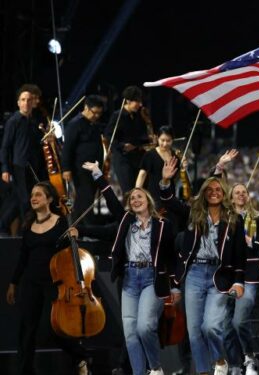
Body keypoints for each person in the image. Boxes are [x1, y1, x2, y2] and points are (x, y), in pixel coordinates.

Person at [72, 161, 178, 375]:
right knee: (130, 334)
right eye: (132, 198)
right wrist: (97, 174)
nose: (135, 199)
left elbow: (171, 256)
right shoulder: (126, 221)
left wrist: (175, 285)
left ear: (148, 201)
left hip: (152, 278)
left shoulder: (163, 225)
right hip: (129, 278)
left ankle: (155, 368)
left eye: (140, 196)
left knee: (144, 327)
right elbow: (111, 200)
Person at [160, 157, 245, 375]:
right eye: (210, 189)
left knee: (211, 326)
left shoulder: (234, 218)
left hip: (220, 275)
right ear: (204, 193)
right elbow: (168, 201)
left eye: (218, 189)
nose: (214, 192)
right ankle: (204, 371)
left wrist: (238, 281)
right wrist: (166, 181)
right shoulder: (193, 213)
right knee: (194, 330)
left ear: (224, 193)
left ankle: (219, 360)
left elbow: (239, 255)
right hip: (195, 274)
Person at [5, 182, 89, 375]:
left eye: (39, 195)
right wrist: (13, 282)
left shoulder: (61, 223)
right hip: (30, 282)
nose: (33, 198)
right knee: (27, 329)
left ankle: (81, 357)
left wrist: (71, 216)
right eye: (32, 195)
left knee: (56, 328)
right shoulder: (27, 225)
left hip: (55, 283)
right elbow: (23, 257)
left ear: (50, 199)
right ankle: (25, 370)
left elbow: (73, 251)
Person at [223, 182, 259, 375]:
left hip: (249, 274)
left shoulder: (258, 218)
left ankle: (249, 356)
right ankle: (234, 364)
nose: (241, 195)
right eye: (237, 192)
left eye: (244, 192)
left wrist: (252, 241)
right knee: (225, 323)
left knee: (239, 321)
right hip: (227, 275)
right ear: (231, 198)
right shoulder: (224, 218)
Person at [1, 84, 48, 221]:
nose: (26, 103)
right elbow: (5, 147)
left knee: (25, 199)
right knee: (25, 200)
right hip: (19, 166)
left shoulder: (34, 122)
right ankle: (26, 229)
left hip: (33, 166)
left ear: (32, 102)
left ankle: (4, 226)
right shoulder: (13, 121)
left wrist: (47, 136)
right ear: (18, 103)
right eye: (23, 100)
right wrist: (5, 169)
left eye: (29, 100)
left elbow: (38, 144)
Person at [61, 95, 105, 224]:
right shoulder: (75, 124)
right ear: (86, 108)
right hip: (80, 168)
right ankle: (88, 229)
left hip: (94, 168)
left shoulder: (94, 125)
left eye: (99, 113)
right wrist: (66, 168)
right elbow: (67, 148)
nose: (97, 116)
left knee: (84, 200)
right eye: (94, 112)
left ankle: (77, 229)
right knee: (86, 198)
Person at [105, 86, 151, 193]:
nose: (140, 104)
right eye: (137, 101)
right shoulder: (117, 115)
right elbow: (108, 136)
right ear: (128, 100)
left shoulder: (138, 115)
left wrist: (148, 139)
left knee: (141, 189)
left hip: (138, 158)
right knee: (129, 191)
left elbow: (142, 136)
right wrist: (122, 146)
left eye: (141, 101)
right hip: (123, 160)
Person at [136, 126, 178, 210]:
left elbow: (175, 178)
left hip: (170, 195)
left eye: (168, 141)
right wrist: (137, 192)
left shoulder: (175, 156)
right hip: (154, 196)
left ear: (172, 140)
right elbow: (142, 175)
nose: (165, 144)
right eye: (162, 140)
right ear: (157, 138)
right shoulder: (150, 155)